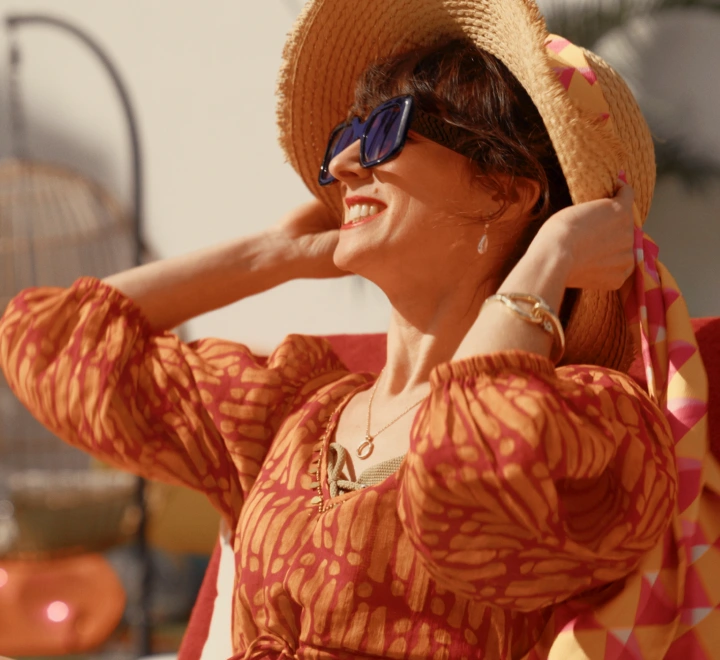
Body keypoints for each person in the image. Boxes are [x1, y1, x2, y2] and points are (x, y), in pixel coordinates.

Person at [0, 0, 716, 658]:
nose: (342, 166)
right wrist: (270, 255)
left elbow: (466, 470)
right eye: (345, 137)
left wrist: (548, 260)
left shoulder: (594, 426)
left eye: (383, 132)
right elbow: (52, 342)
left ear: (507, 190)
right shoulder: (290, 410)